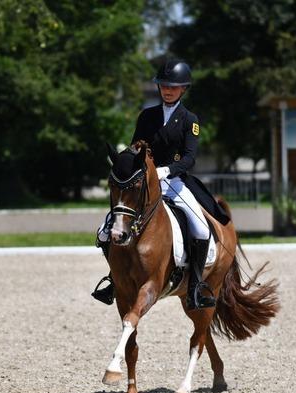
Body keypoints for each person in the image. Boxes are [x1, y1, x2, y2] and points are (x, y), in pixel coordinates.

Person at [92, 59, 229, 311]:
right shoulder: (147, 116)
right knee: (104, 231)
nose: (167, 90)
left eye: (173, 87)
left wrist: (167, 169)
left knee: (199, 228)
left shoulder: (190, 120)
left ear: (183, 89)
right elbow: (135, 148)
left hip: (174, 182)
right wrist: (124, 161)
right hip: (143, 184)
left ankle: (196, 286)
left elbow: (189, 157)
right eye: (164, 85)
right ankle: (116, 279)